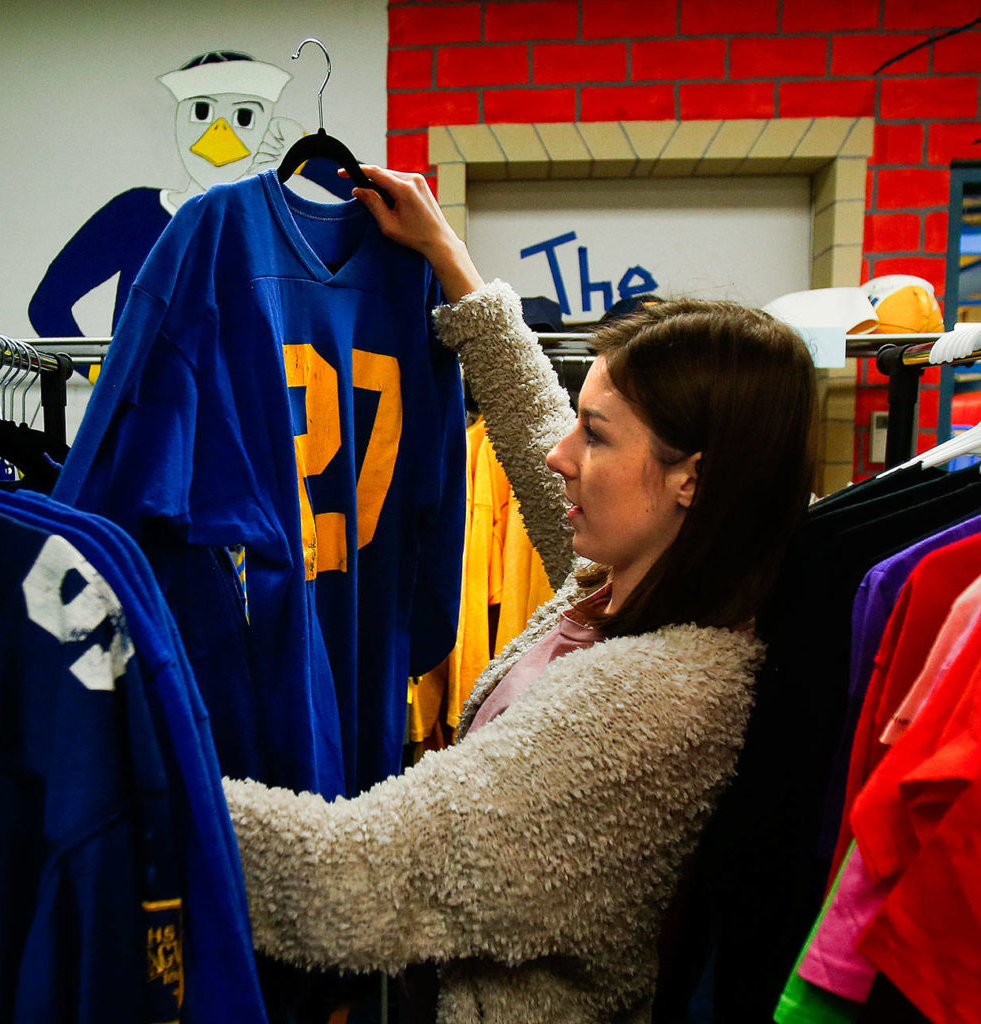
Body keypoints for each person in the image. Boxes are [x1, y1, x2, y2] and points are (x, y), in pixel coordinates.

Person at [224, 165, 818, 1024]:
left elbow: (346, 876)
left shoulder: (654, 700)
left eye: (597, 435)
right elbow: (534, 422)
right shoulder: (629, 586)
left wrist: (122, 762)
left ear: (695, 477)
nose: (560, 455)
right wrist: (448, 259)